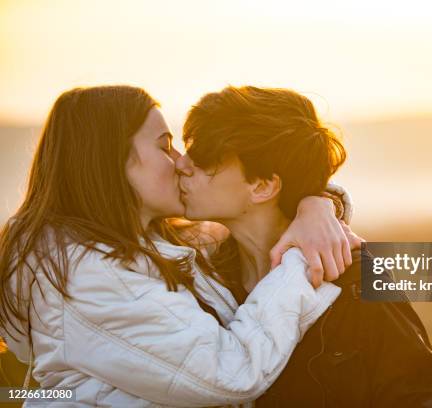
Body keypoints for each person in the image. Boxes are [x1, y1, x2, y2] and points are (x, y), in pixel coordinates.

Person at [0, 85, 360, 407]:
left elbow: (412, 389)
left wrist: (318, 205)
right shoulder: (86, 278)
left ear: (264, 186)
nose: (181, 163)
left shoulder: (360, 271)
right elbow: (232, 372)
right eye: (165, 146)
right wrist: (300, 258)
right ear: (110, 161)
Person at [177, 85, 432, 408]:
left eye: (204, 157)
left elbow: (420, 395)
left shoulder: (354, 282)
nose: (182, 164)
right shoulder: (194, 279)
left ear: (263, 186)